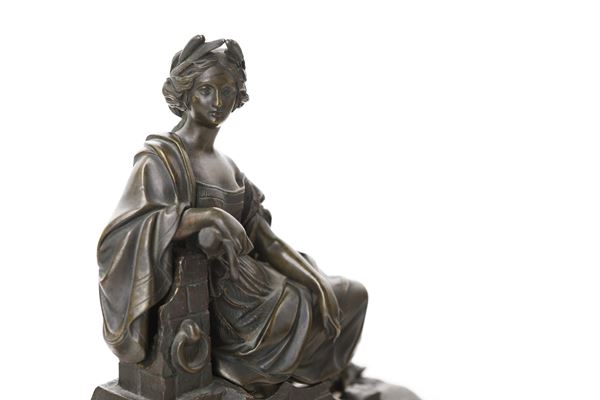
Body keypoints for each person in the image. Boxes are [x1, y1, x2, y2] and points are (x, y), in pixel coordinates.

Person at [97, 35, 368, 395]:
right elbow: (127, 233)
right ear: (185, 93)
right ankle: (235, 366)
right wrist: (204, 217)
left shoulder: (230, 168)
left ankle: (319, 377)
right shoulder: (161, 159)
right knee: (302, 306)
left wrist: (316, 281)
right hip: (222, 304)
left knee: (351, 295)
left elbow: (268, 242)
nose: (217, 102)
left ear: (238, 96)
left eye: (226, 91)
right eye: (206, 90)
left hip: (256, 283)